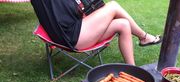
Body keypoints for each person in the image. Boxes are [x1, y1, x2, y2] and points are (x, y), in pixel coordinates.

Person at [31, 0, 162, 66]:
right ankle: (144, 37)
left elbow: (74, 11)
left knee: (123, 24)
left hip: (77, 30)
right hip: (72, 37)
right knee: (113, 6)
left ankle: (132, 68)